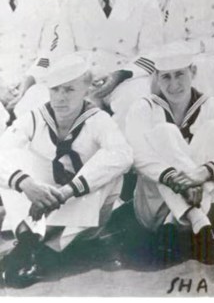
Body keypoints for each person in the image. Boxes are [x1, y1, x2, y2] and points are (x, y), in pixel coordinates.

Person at [0, 55, 133, 288]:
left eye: (69, 90)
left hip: (83, 210)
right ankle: (27, 240)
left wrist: (67, 191)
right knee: (11, 162)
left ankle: (41, 249)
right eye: (55, 90)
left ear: (86, 89)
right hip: (41, 201)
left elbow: (123, 155)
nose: (60, 98)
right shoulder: (34, 117)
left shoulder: (98, 119)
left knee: (108, 172)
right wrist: (26, 183)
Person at [124, 43, 214, 265]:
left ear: (193, 72)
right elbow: (137, 154)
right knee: (165, 132)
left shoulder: (213, 106)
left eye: (180, 75)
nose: (174, 84)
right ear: (156, 77)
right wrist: (180, 179)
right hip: (154, 207)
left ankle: (176, 223)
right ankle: (198, 221)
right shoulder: (143, 108)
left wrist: (202, 173)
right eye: (166, 77)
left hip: (204, 201)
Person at [53, 0, 162, 118]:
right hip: (84, 79)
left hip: (127, 77)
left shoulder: (145, 3)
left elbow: (152, 54)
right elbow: (63, 51)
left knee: (135, 105)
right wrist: (82, 79)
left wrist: (120, 75)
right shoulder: (72, 4)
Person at [0, 0, 60, 117]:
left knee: (35, 114)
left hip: (34, 81)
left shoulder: (47, 2)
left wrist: (29, 80)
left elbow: (50, 51)